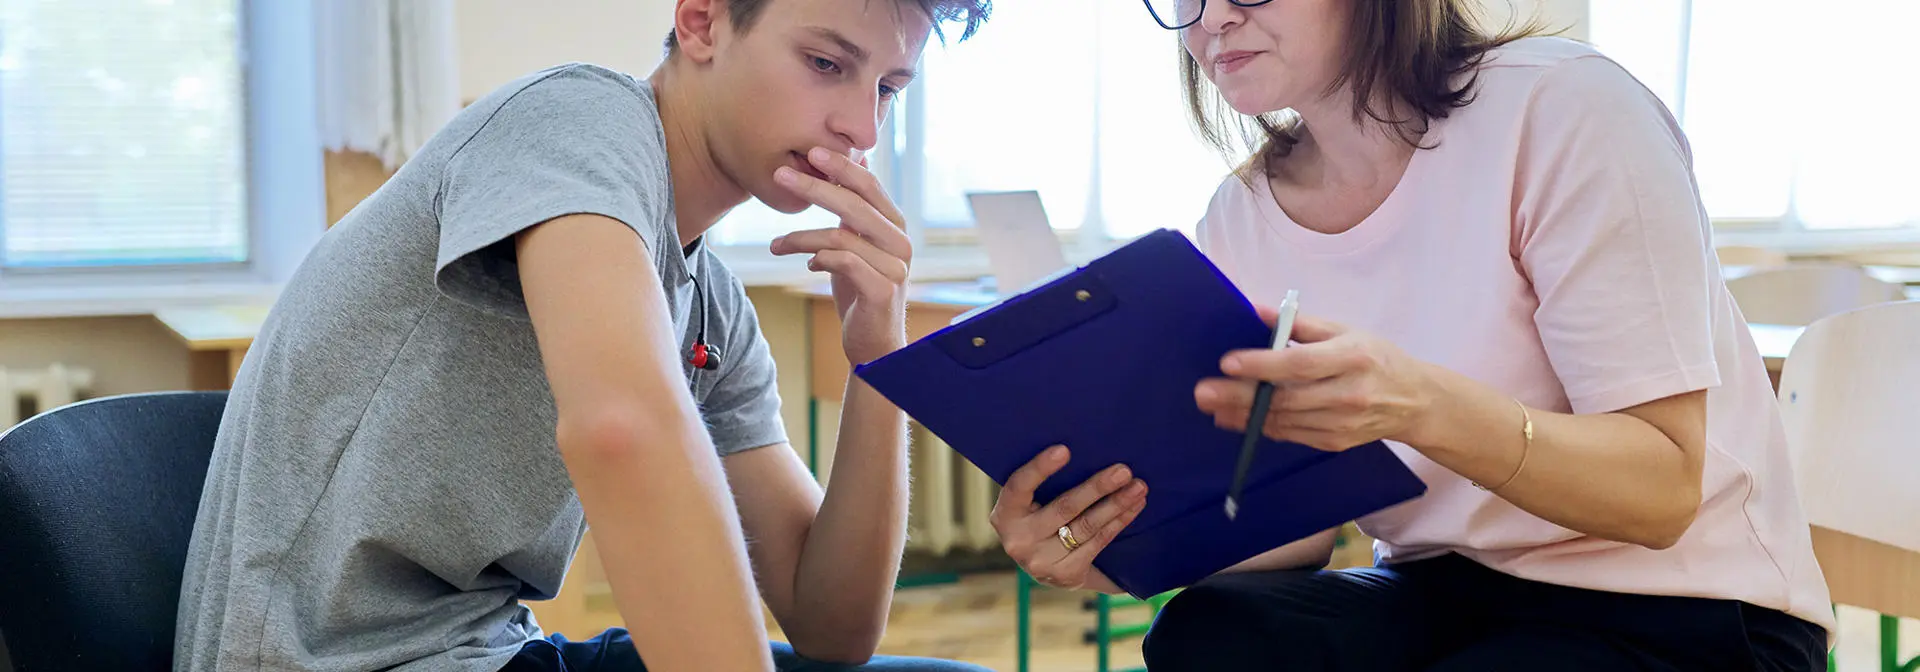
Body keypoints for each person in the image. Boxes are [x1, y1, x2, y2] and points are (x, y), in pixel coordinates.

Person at [988, 1, 1834, 669]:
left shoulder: (1566, 108)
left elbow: (1661, 495)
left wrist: (1420, 404)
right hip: (1443, 589)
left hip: (1686, 608)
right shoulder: (1240, 217)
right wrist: (1113, 550)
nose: (1211, 19)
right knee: (1211, 632)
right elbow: (1297, 534)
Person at [172, 0, 995, 670]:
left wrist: (880, 363)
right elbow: (621, 430)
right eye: (825, 63)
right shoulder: (577, 118)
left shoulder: (710, 305)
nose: (863, 128)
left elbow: (831, 626)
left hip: (494, 651)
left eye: (888, 88)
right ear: (701, 21)